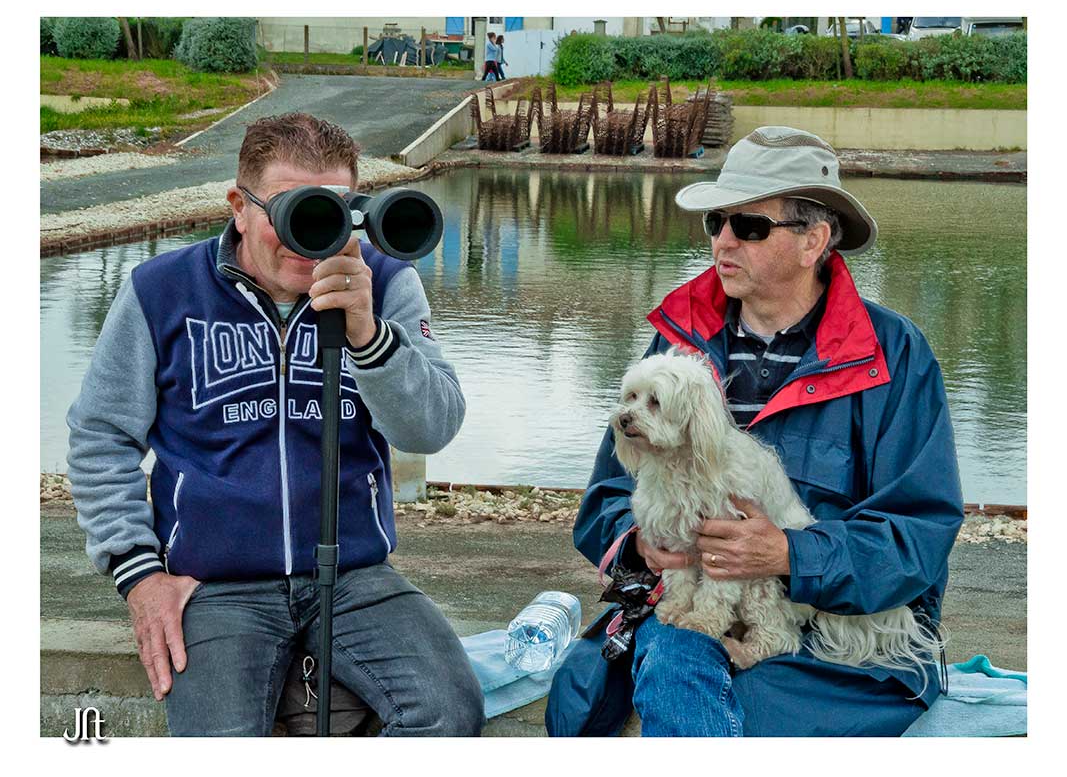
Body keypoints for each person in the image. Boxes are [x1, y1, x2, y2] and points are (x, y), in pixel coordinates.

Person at [66, 112, 485, 737]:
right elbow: (101, 436)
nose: (309, 235)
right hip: (215, 583)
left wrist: (368, 335)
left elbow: (432, 428)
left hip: (355, 575)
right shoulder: (161, 290)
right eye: (292, 209)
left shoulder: (386, 282)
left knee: (449, 712)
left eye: (331, 209)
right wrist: (140, 574)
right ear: (239, 207)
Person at [547, 126, 964, 737]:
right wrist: (643, 544)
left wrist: (791, 554)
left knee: (705, 688)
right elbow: (607, 496)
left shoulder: (896, 354)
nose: (722, 241)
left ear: (813, 241)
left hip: (843, 633)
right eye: (716, 222)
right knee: (653, 669)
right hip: (693, 608)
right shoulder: (676, 342)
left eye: (748, 226)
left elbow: (919, 536)